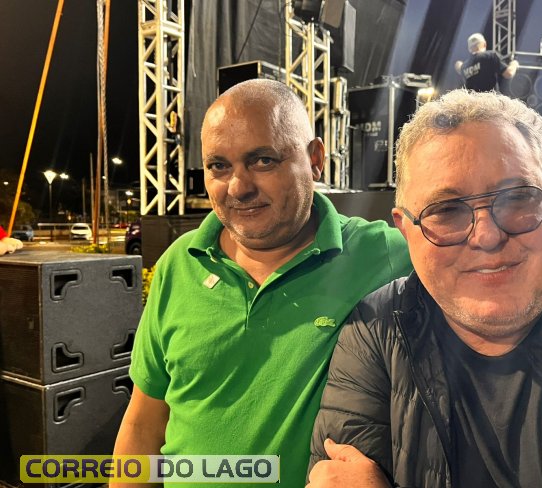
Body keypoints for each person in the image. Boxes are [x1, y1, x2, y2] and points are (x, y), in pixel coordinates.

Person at [308, 89, 542, 487]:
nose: (487, 236)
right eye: (446, 210)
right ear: (405, 230)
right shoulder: (376, 330)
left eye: (518, 198)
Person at [112, 79, 411, 488]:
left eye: (263, 160)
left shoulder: (386, 253)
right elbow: (144, 424)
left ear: (315, 159)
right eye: (219, 166)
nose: (238, 187)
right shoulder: (179, 264)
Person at [454, 33, 518, 92]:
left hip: (473, 101)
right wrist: (514, 64)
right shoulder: (490, 55)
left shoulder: (464, 67)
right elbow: (508, 73)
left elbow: (459, 67)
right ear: (484, 44)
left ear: (469, 49)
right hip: (490, 99)